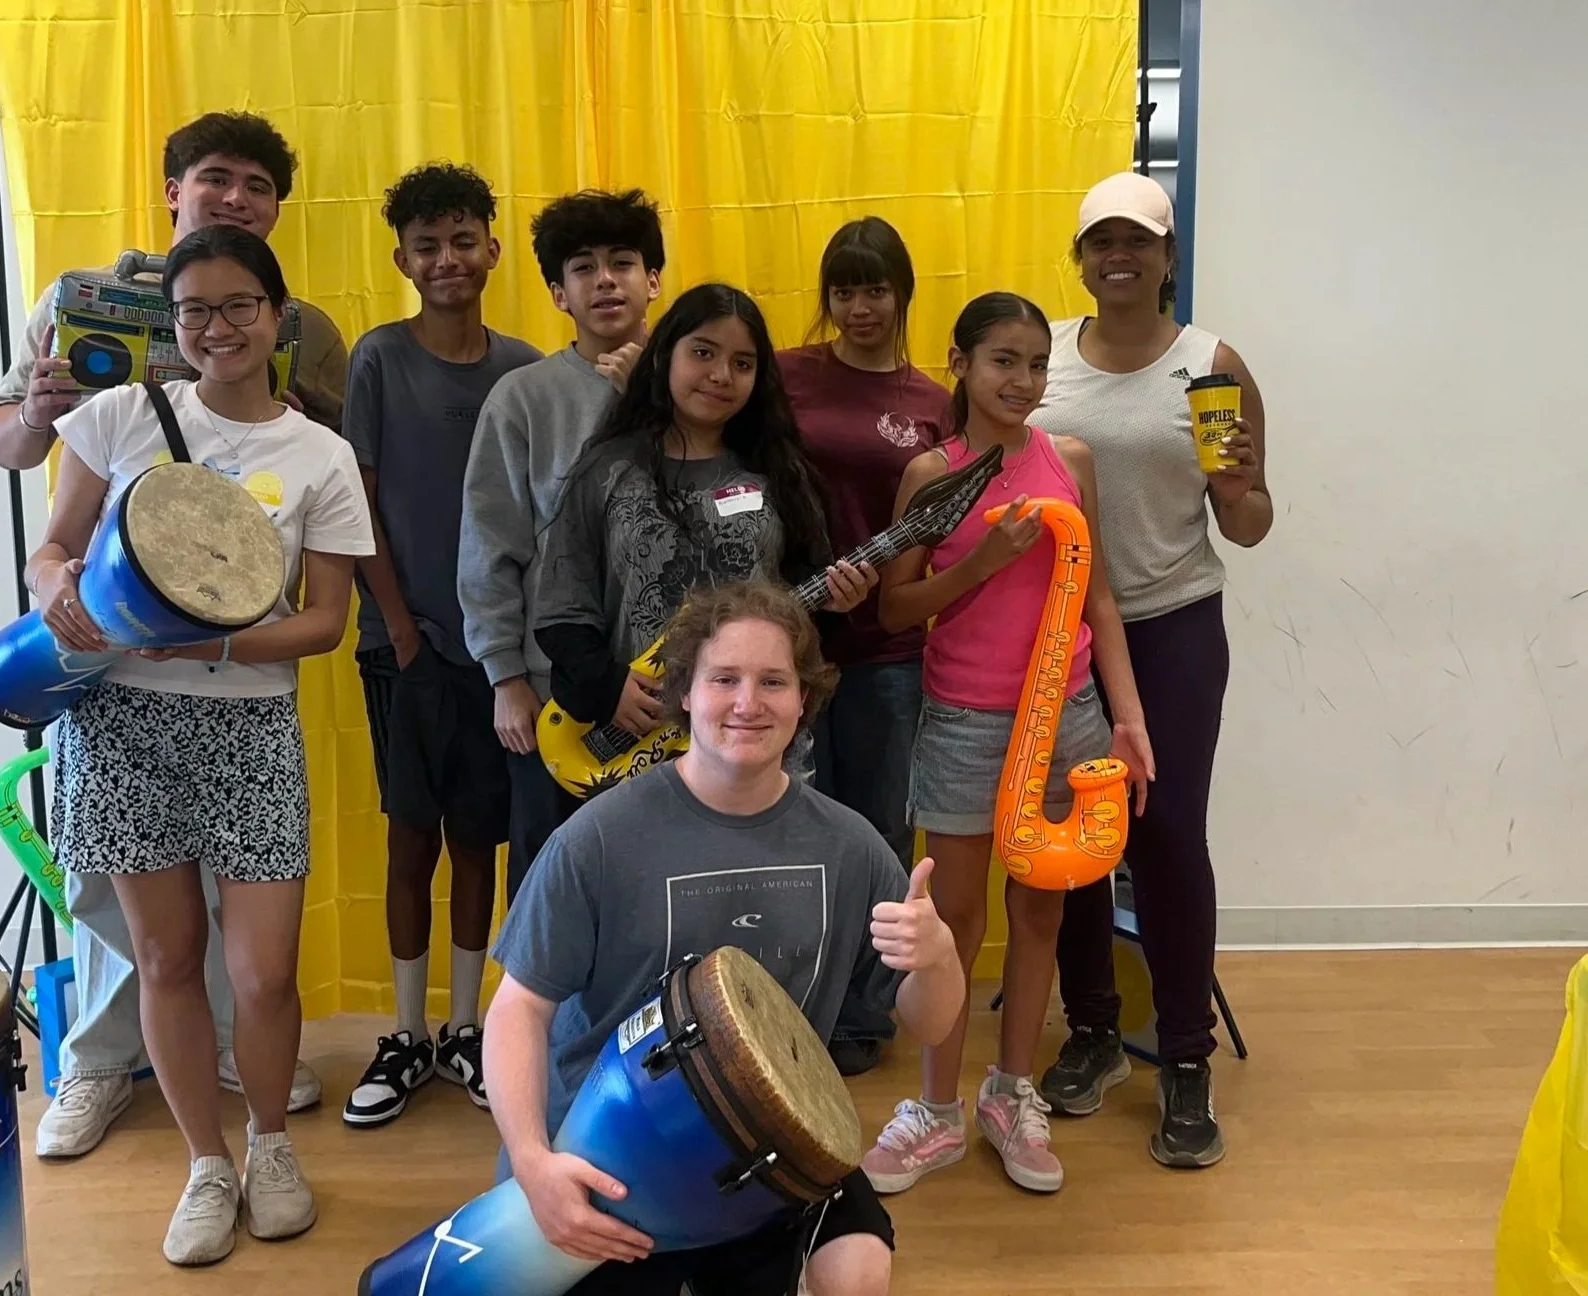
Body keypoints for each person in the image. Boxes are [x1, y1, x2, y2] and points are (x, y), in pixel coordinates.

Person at [0, 110, 333, 1160]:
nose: (236, 198)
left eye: (258, 185)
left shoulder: (307, 324)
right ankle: (98, 1063)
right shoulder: (84, 297)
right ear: (174, 188)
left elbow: (317, 465)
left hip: (236, 663)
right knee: (116, 900)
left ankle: (233, 1055)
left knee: (238, 924)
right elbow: (10, 447)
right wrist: (39, 415)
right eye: (216, 177)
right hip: (108, 649)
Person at [28, 225, 375, 1265]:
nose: (216, 328)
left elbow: (325, 623)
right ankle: (206, 1164)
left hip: (250, 727)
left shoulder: (321, 454)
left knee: (264, 974)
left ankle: (270, 1144)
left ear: (277, 317)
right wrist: (54, 586)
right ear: (171, 324)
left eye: (238, 307)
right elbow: (53, 549)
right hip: (123, 723)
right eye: (194, 312)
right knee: (166, 960)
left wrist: (212, 640)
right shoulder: (118, 417)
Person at [484, 579, 969, 1295]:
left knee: (858, 1270)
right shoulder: (599, 837)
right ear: (684, 693)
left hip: (765, 1142)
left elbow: (930, 1022)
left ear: (803, 699)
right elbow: (517, 1011)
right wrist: (532, 1163)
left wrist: (938, 957)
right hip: (614, 1148)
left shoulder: (850, 845)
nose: (748, 703)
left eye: (773, 681)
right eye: (724, 679)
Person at [856, 292, 1153, 1197]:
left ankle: (1011, 1091)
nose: (1022, 381)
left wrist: (1129, 716)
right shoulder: (931, 475)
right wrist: (983, 563)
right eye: (1003, 361)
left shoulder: (1071, 460)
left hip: (1067, 716)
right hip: (966, 720)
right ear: (960, 363)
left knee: (1041, 913)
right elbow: (894, 608)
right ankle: (936, 1109)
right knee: (954, 919)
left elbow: (1099, 597)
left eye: (1036, 364)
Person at [1029, 170, 1274, 1169]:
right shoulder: (1040, 354)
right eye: (1101, 241)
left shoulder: (1210, 365)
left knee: (1167, 835)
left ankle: (1184, 1056)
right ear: (1082, 259)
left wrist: (1239, 484)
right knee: (1078, 837)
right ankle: (1094, 1032)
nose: (1118, 255)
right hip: (1059, 633)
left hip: (1173, 626)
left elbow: (1249, 525)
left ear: (1168, 256)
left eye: (1137, 240)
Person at [342, 162, 542, 1128]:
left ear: (493, 250)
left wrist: (503, 646)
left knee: (477, 840)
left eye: (464, 240)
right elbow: (359, 506)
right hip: (403, 649)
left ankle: (466, 1028)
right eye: (427, 246)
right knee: (409, 838)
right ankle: (406, 1032)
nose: (448, 259)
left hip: (498, 657)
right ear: (402, 261)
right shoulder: (378, 360)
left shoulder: (526, 370)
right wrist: (402, 630)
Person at [531, 282, 880, 799]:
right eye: (702, 353)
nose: (721, 375)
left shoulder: (780, 473)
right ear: (664, 355)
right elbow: (562, 607)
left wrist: (839, 604)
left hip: (755, 738)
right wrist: (608, 686)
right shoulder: (608, 469)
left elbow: (805, 611)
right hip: (639, 742)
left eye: (742, 363)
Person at [777, 216, 954, 1078]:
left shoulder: (933, 404)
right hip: (788, 650)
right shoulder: (786, 375)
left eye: (875, 288)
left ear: (903, 293)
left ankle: (864, 1013)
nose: (859, 307)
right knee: (794, 836)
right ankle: (793, 1005)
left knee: (880, 835)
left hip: (888, 652)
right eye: (843, 290)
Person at [457, 188, 664, 901]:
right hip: (559, 697)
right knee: (554, 890)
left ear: (653, 280)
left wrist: (652, 398)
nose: (605, 280)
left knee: (663, 888)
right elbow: (490, 543)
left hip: (678, 695)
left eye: (623, 263)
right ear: (557, 292)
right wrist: (505, 678)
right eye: (583, 268)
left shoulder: (700, 387)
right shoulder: (524, 398)